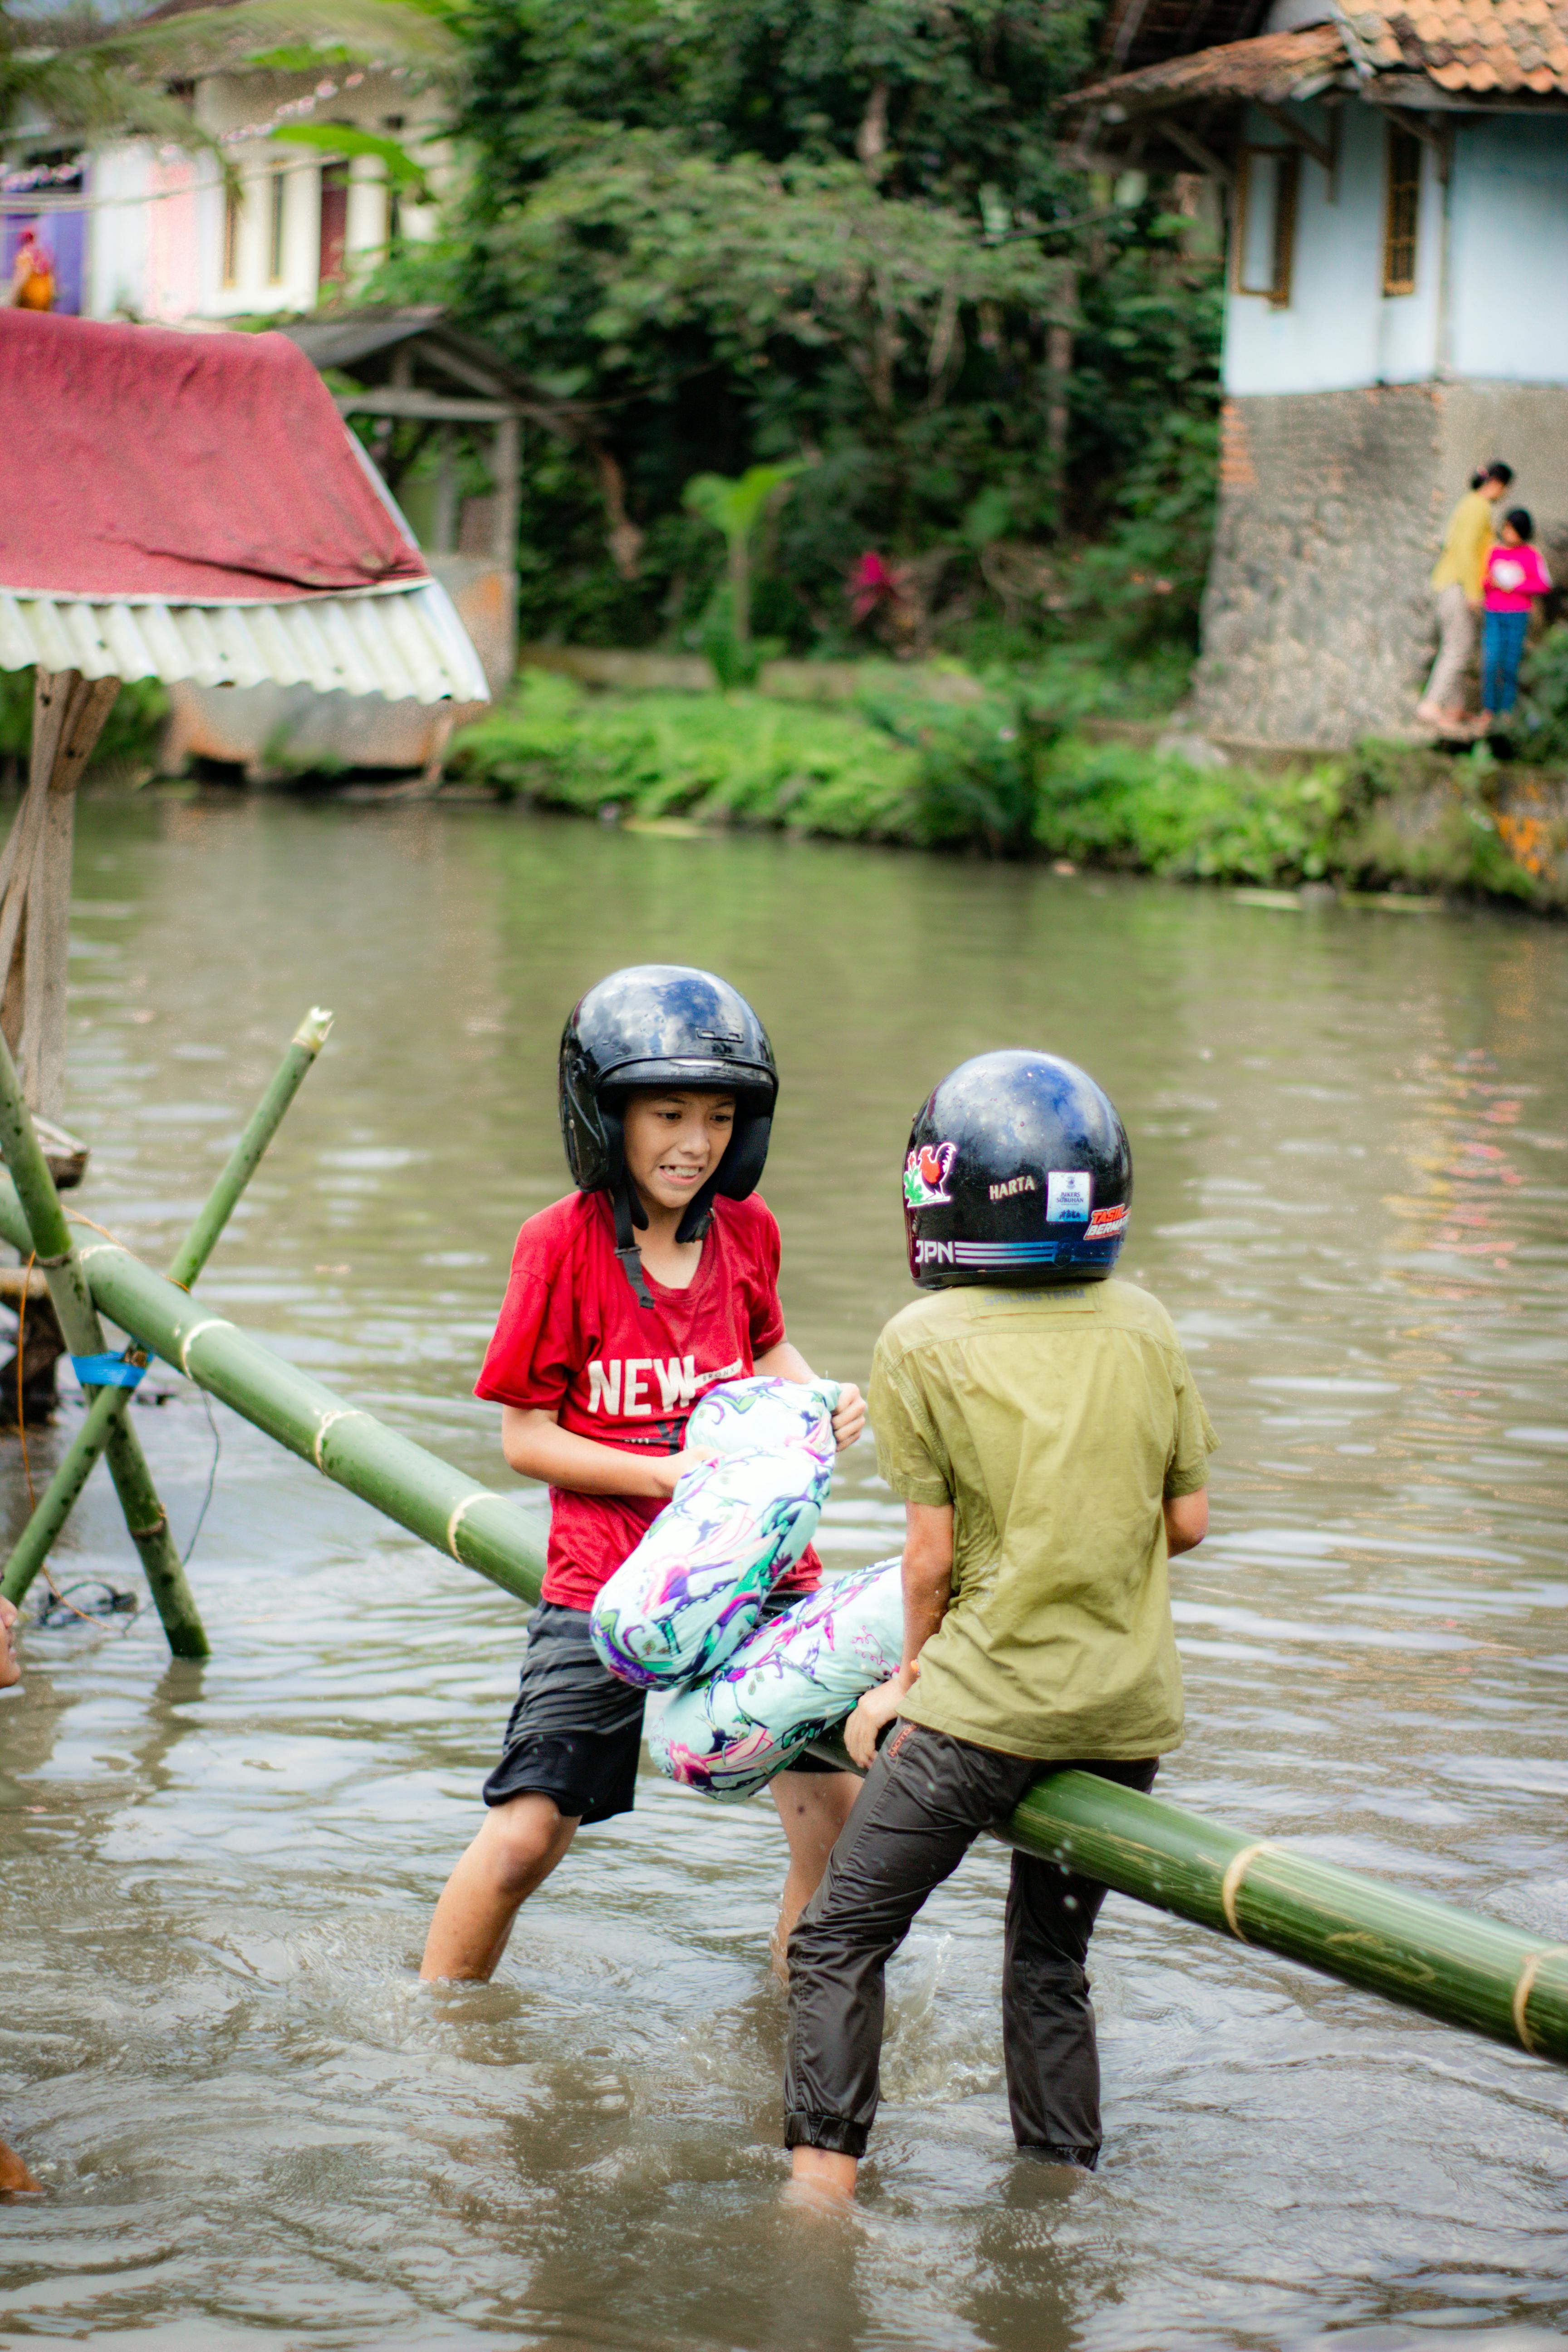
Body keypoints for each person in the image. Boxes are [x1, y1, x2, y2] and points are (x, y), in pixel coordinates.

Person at [783, 1049, 1216, 2199]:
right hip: (1125, 1716)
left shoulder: (920, 1340)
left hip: (984, 1713)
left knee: (838, 1937)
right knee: (1046, 1964)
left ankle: (816, 2200)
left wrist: (904, 1685)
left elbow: (928, 1559)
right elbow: (1185, 1520)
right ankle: (1060, 2189)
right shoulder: (1145, 1322)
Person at [421, 965, 864, 1984]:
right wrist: (668, 1481)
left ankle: (797, 2040)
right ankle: (440, 2040)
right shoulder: (558, 1246)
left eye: (718, 1117)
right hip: (609, 1581)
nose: (696, 1143)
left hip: (759, 1573)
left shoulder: (749, 1232)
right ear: (605, 1113)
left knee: (831, 1834)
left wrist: (822, 1398)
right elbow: (525, 1438)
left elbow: (766, 1356)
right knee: (529, 1836)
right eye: (668, 1113)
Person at [1417, 462, 1513, 733]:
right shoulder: (1479, 507)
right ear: (1496, 484)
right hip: (1458, 584)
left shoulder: (1468, 503)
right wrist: (1473, 592)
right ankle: (1432, 704)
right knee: (1459, 646)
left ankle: (1453, 708)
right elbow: (1468, 551)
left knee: (1458, 643)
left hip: (1450, 581)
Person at [1479, 508, 1552, 733]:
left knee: (1510, 663)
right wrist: (1491, 583)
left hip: (1518, 614)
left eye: (1514, 530)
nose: (1508, 534)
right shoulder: (1494, 552)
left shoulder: (1531, 555)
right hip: (1494, 612)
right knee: (1491, 660)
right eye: (1507, 528)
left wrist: (1517, 586)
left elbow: (1544, 584)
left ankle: (1507, 711)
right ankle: (1488, 709)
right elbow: (1483, 580)